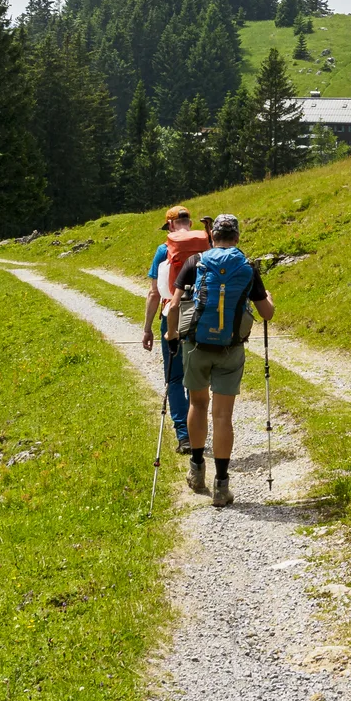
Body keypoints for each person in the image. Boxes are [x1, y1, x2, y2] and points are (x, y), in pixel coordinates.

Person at [175, 214, 274, 507]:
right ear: (237, 238)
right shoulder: (247, 267)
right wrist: (267, 296)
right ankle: (221, 486)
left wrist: (171, 338)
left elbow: (172, 304)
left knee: (197, 404)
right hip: (231, 349)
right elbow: (267, 313)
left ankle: (196, 470)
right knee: (222, 416)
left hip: (196, 346)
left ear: (212, 237)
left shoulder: (195, 263)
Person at [142, 206, 204, 449]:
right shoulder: (206, 243)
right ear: (189, 222)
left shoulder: (164, 249)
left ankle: (183, 435)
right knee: (197, 377)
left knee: (175, 377)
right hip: (202, 315)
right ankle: (198, 429)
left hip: (173, 314)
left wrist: (147, 327)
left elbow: (154, 292)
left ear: (169, 225)